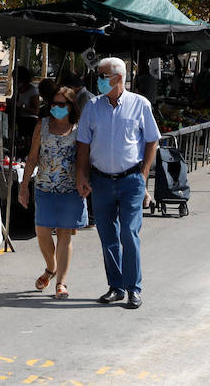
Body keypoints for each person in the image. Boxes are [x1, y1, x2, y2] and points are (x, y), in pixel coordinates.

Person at [75, 57, 160, 310]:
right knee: (107, 235)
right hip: (101, 180)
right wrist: (82, 175)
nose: (98, 80)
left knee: (129, 234)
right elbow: (83, 144)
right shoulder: (92, 107)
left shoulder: (139, 104)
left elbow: (152, 140)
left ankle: (134, 288)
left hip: (131, 180)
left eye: (103, 76)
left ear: (118, 78)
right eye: (98, 75)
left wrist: (144, 173)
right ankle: (116, 286)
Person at [18, 88, 86, 300]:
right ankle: (51, 267)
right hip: (44, 187)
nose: (56, 108)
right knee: (42, 233)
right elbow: (32, 158)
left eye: (61, 104)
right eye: (53, 103)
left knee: (65, 235)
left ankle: (61, 283)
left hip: (70, 190)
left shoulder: (79, 128)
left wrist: (84, 179)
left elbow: (85, 158)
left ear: (71, 106)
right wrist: (23, 186)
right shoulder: (43, 125)